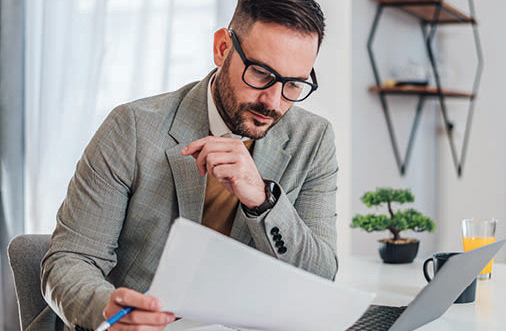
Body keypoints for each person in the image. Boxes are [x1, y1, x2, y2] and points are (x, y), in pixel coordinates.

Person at [41, 1, 338, 330]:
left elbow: (321, 278)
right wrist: (108, 312)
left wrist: (262, 200)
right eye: (261, 74)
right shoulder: (132, 129)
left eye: (294, 84)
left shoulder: (313, 139)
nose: (273, 101)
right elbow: (69, 260)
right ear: (222, 48)